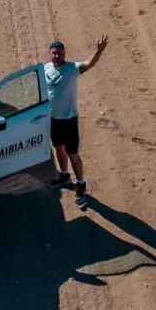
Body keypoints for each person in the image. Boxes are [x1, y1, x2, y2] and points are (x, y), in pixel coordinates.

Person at [44, 37, 108, 201]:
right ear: (49, 54)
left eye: (60, 53)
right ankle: (64, 175)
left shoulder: (71, 69)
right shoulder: (45, 69)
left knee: (72, 153)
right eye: (54, 53)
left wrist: (98, 51)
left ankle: (80, 184)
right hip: (53, 119)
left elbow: (89, 64)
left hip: (69, 121)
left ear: (64, 54)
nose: (57, 56)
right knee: (58, 148)